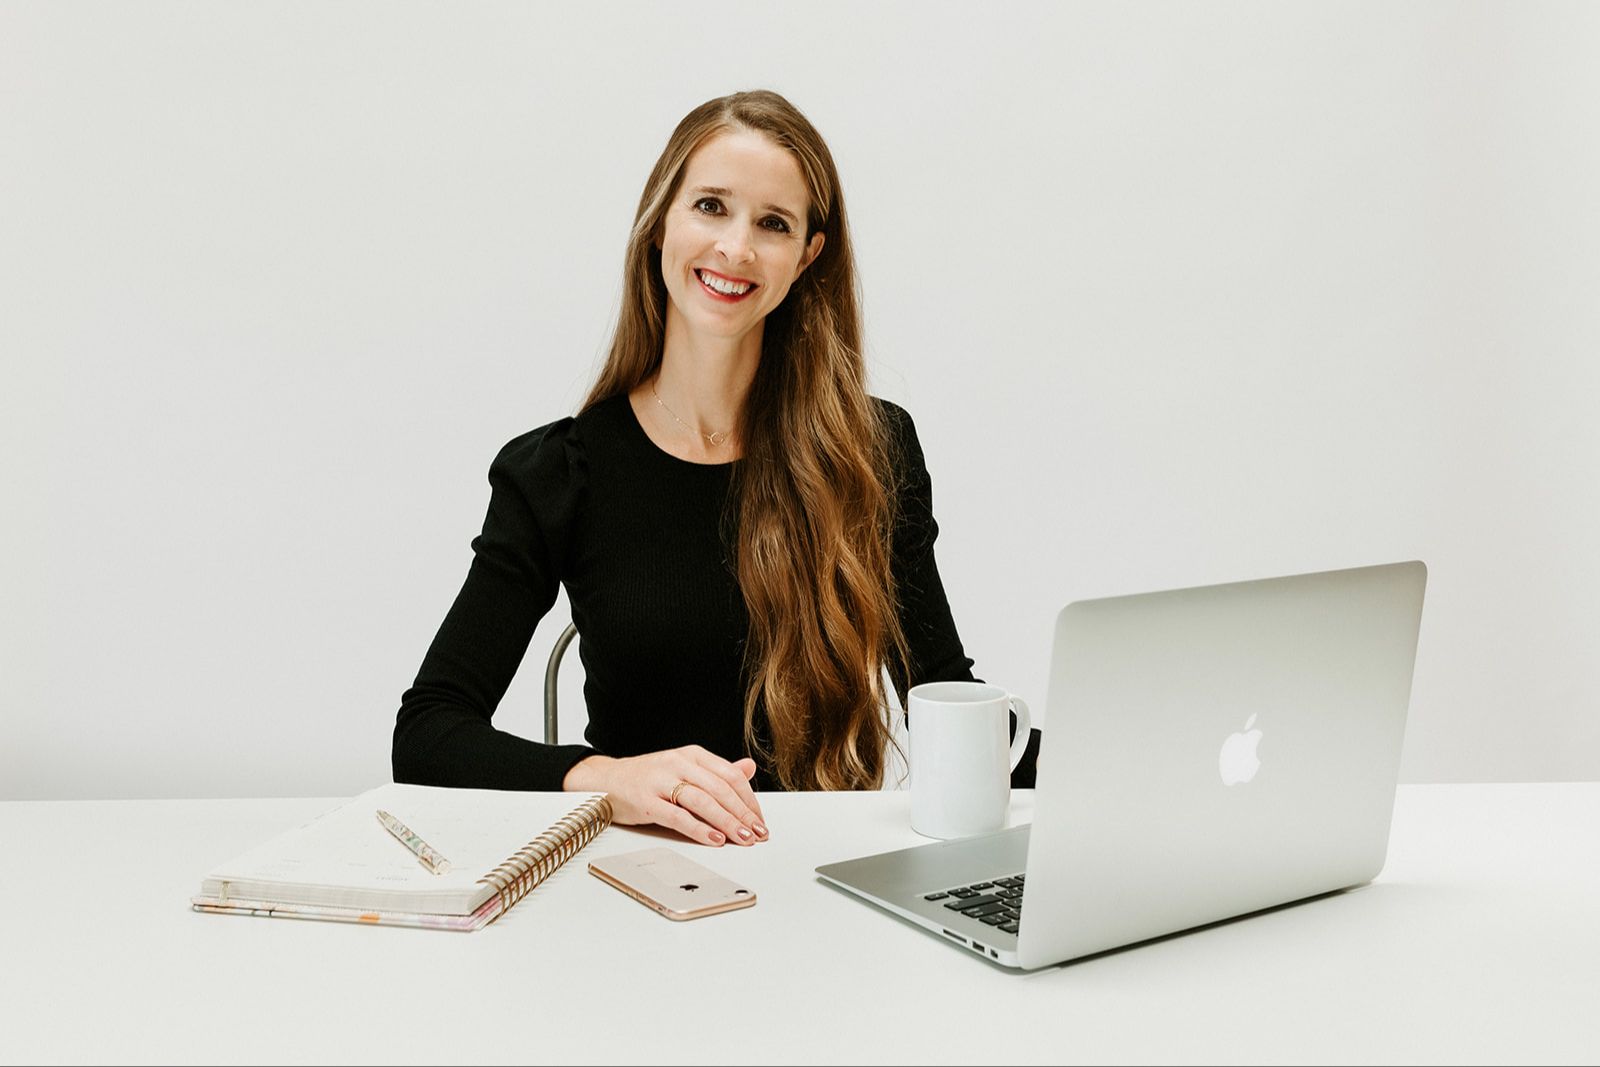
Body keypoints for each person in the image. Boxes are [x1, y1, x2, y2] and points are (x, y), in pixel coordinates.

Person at [392, 89, 1038, 848]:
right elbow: (428, 734)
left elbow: (948, 700)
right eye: (710, 206)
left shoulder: (869, 451)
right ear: (660, 221)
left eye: (773, 223)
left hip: (818, 867)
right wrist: (608, 779)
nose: (736, 248)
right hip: (637, 874)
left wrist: (1115, 772)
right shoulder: (559, 474)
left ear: (807, 256)